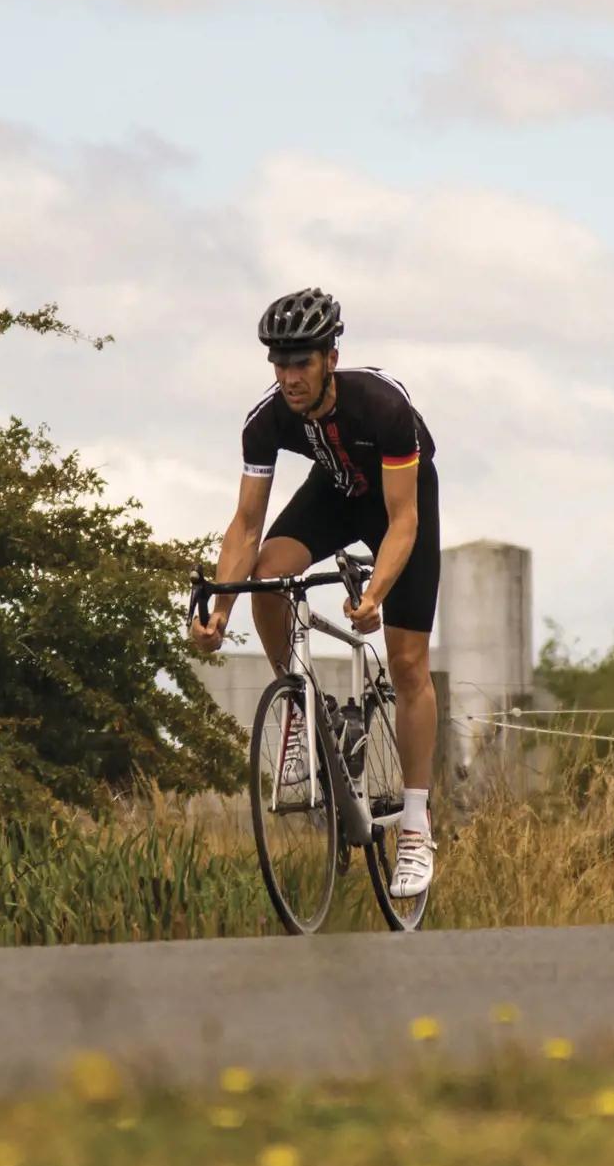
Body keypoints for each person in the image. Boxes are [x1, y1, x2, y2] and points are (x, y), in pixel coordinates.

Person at [189, 287, 444, 900]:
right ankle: (303, 709)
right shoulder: (266, 419)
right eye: (279, 364)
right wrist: (220, 607)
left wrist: (375, 593)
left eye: (300, 362)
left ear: (331, 356)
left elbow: (403, 521)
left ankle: (414, 826)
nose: (289, 377)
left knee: (408, 662)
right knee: (267, 574)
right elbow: (247, 526)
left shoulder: (383, 407)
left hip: (396, 504)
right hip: (332, 495)